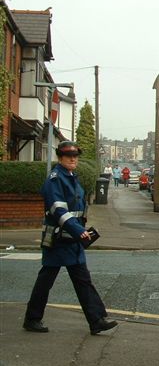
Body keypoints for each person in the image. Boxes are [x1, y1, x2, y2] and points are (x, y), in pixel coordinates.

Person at [23, 141, 118, 336]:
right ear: (60, 157)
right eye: (68, 156)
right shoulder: (55, 179)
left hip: (71, 240)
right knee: (46, 280)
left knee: (83, 280)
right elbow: (58, 210)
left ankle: (97, 320)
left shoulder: (71, 177)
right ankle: (32, 319)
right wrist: (77, 229)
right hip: (59, 240)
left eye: (75, 155)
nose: (73, 158)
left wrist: (79, 230)